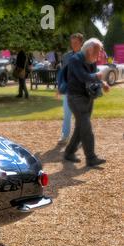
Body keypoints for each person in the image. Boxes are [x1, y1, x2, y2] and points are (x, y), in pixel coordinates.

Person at [64, 38, 110, 167]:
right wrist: (97, 77)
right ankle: (91, 158)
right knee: (86, 127)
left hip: (87, 97)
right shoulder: (75, 60)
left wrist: (102, 83)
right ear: (90, 50)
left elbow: (93, 74)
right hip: (75, 98)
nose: (99, 54)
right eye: (98, 51)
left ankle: (69, 152)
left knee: (81, 127)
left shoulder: (91, 60)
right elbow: (83, 76)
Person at [58, 33, 84, 145]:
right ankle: (65, 136)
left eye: (76, 43)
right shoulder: (66, 56)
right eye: (72, 43)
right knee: (67, 114)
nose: (73, 45)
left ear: (81, 43)